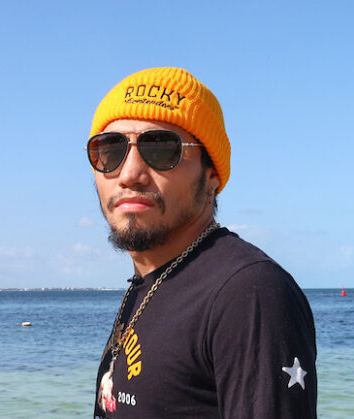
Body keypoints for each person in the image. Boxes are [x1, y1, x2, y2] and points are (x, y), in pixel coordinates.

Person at [88, 67, 317, 418]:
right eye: (109, 150)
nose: (130, 174)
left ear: (212, 175)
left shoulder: (248, 292)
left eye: (162, 148)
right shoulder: (147, 283)